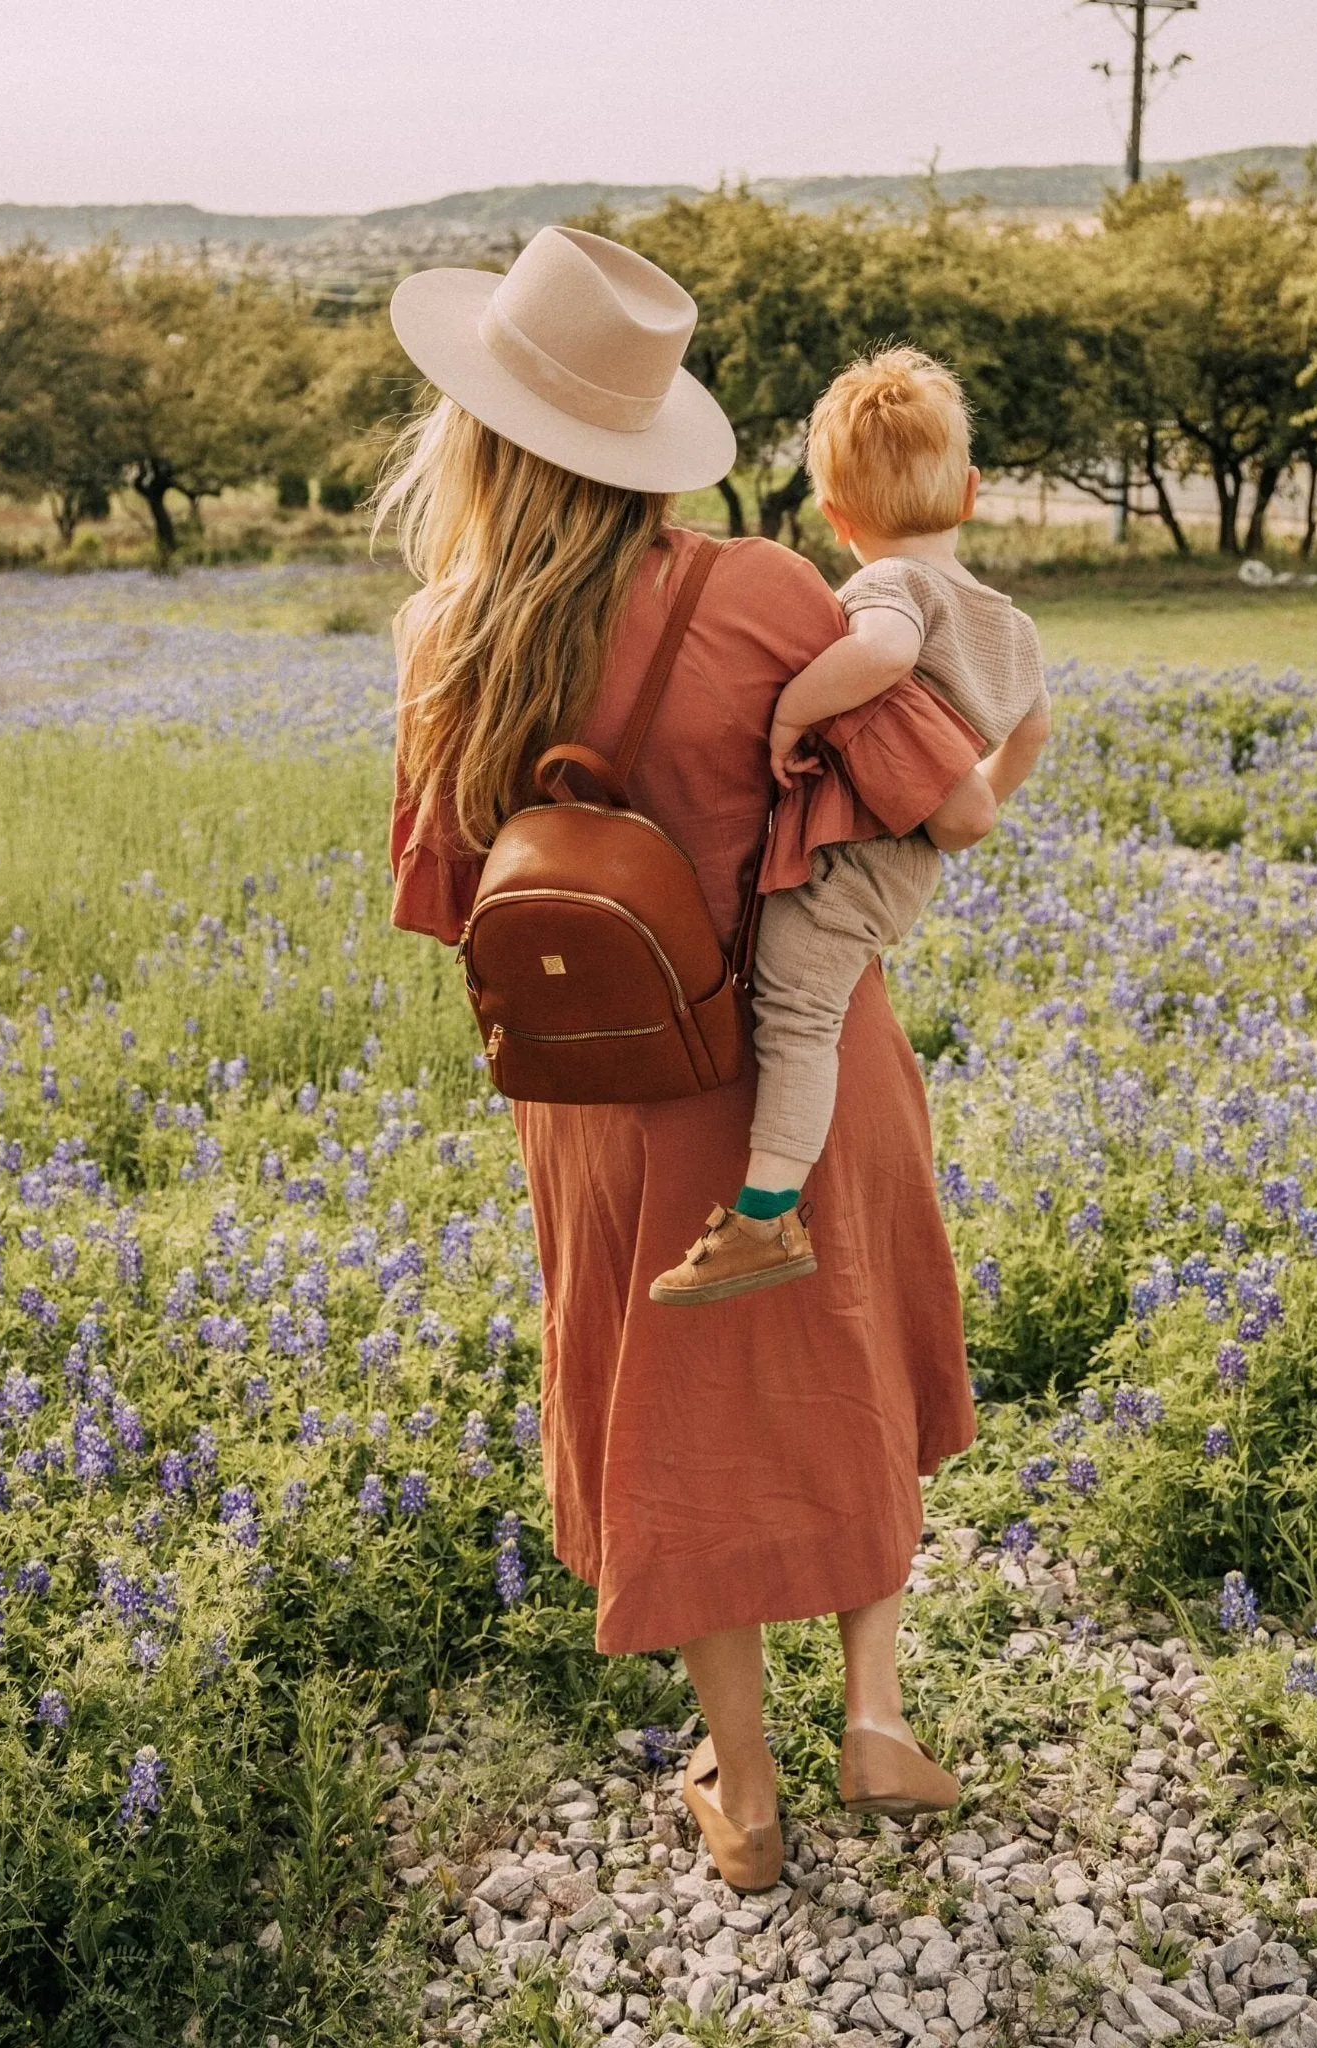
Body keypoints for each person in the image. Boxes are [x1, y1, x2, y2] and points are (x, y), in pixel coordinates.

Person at [385, 225, 993, 1892]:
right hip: (810, 1066)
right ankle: (875, 1712)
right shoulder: (766, 591)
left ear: (484, 436)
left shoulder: (444, 639)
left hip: (608, 1095)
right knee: (844, 1354)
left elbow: (450, 905)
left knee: (675, 1416)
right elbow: (941, 794)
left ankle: (743, 1790)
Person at [651, 346, 1051, 1306]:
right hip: (905, 857)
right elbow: (1034, 728)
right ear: (970, 491)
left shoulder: (892, 591)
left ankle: (765, 1212)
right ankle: (769, 1201)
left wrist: (792, 712)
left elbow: (882, 652)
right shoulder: (1010, 624)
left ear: (834, 517)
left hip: (859, 855)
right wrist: (979, 797)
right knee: (812, 1004)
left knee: (796, 1015)